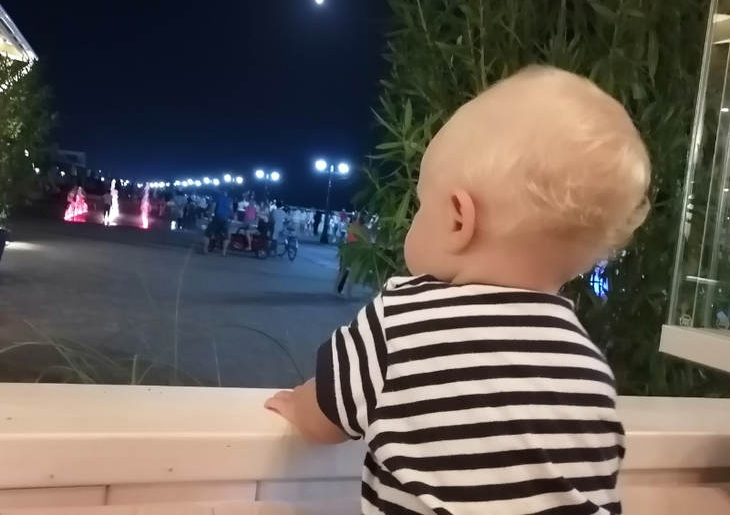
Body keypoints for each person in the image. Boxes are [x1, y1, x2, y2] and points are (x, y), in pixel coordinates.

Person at [265, 66, 650, 515]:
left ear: (457, 220)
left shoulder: (402, 322)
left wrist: (298, 404)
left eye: (421, 204)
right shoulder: (588, 365)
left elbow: (324, 417)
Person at [203, 191, 233, 256]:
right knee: (225, 236)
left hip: (217, 219)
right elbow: (231, 210)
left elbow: (212, 209)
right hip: (225, 219)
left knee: (207, 233)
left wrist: (209, 219)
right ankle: (224, 253)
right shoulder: (229, 199)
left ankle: (205, 250)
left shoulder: (217, 198)